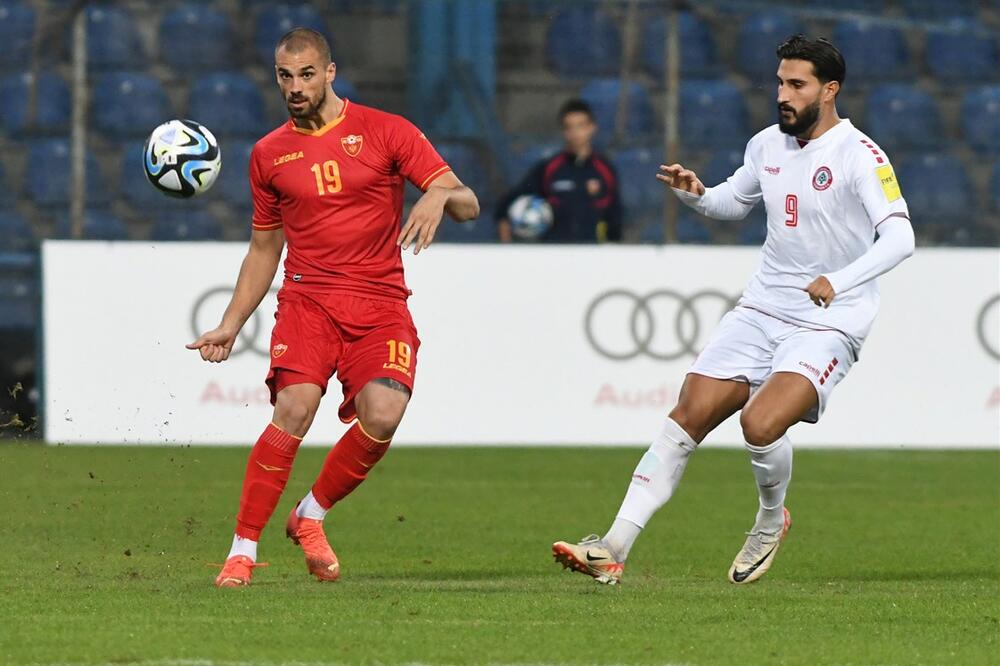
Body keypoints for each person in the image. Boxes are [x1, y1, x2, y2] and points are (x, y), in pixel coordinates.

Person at [552, 35, 914, 585]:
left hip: (829, 319)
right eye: (780, 83)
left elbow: (901, 239)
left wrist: (837, 282)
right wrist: (696, 193)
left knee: (759, 424)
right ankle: (611, 547)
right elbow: (732, 202)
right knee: (688, 413)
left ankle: (770, 520)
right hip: (762, 308)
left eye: (797, 85)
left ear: (829, 90)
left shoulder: (860, 155)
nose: (783, 95)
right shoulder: (766, 144)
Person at [188, 28, 479, 588]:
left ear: (329, 72)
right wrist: (230, 324)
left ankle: (311, 513)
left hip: (380, 302)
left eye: (305, 74)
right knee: (294, 407)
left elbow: (469, 204)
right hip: (309, 302)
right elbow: (265, 248)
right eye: (284, 76)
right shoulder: (268, 154)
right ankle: (242, 551)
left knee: (384, 413)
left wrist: (439, 192)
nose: (294, 87)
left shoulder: (387, 131)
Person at [495, 99, 622, 243]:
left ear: (592, 128)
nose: (575, 133)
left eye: (581, 126)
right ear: (563, 131)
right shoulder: (549, 168)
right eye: (569, 127)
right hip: (554, 252)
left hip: (593, 251)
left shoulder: (605, 170)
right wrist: (506, 246)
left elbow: (615, 218)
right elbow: (506, 206)